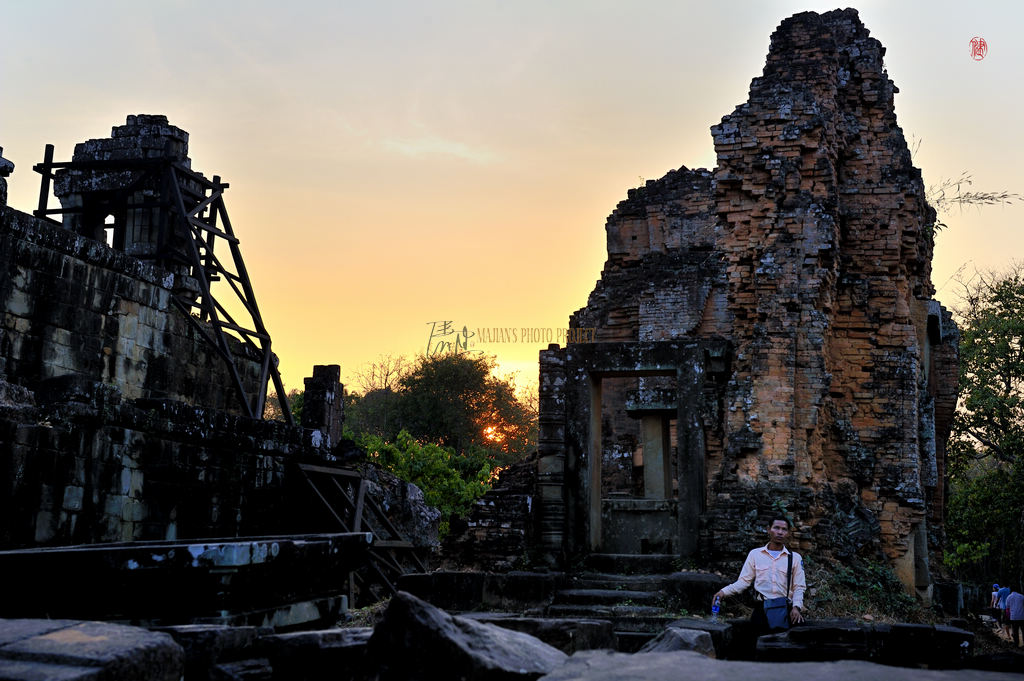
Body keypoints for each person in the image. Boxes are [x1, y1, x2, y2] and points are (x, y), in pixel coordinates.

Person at [713, 515, 806, 633]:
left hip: (785, 609)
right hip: (762, 609)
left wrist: (796, 607)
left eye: (784, 529)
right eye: (776, 528)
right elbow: (743, 582)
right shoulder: (755, 554)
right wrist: (723, 592)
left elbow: (799, 587)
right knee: (755, 644)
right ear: (768, 530)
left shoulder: (795, 558)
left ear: (788, 533)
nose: (780, 532)